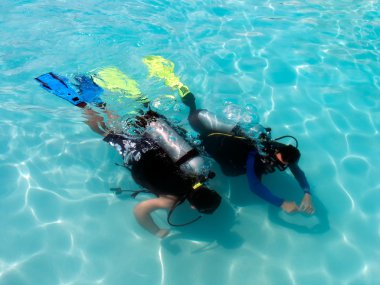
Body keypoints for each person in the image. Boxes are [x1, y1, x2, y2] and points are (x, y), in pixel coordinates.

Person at [35, 71, 222, 238]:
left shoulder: (200, 172)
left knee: (117, 122)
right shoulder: (170, 201)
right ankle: (82, 105)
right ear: (192, 206)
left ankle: (95, 96)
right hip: (137, 156)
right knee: (106, 132)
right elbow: (140, 211)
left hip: (153, 146)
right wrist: (157, 231)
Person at [181, 90, 314, 214]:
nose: (273, 163)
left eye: (279, 164)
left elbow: (297, 171)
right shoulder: (255, 154)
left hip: (225, 143)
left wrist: (307, 193)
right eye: (275, 160)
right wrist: (282, 203)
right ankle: (189, 108)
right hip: (214, 145)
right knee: (192, 125)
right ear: (276, 151)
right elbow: (255, 186)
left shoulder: (285, 153)